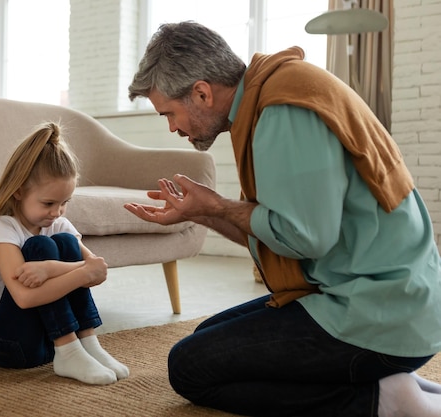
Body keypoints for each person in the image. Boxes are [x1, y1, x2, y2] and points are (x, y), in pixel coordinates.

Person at [125, 21, 441, 417]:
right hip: (378, 299)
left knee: (190, 368)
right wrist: (203, 211)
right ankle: (392, 383)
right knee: (207, 338)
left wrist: (219, 206)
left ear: (201, 93)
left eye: (169, 114)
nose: (173, 128)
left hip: (380, 315)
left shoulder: (282, 109)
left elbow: (306, 240)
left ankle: (383, 401)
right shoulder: (273, 95)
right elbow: (277, 235)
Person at [0, 122, 129, 385]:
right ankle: (69, 350)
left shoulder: (58, 224)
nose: (57, 212)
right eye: (48, 203)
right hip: (5, 342)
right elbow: (25, 298)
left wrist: (51, 269)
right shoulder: (3, 228)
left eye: (65, 203)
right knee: (39, 248)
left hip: (46, 338)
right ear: (18, 191)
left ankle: (86, 344)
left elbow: (97, 270)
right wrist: (79, 270)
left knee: (64, 241)